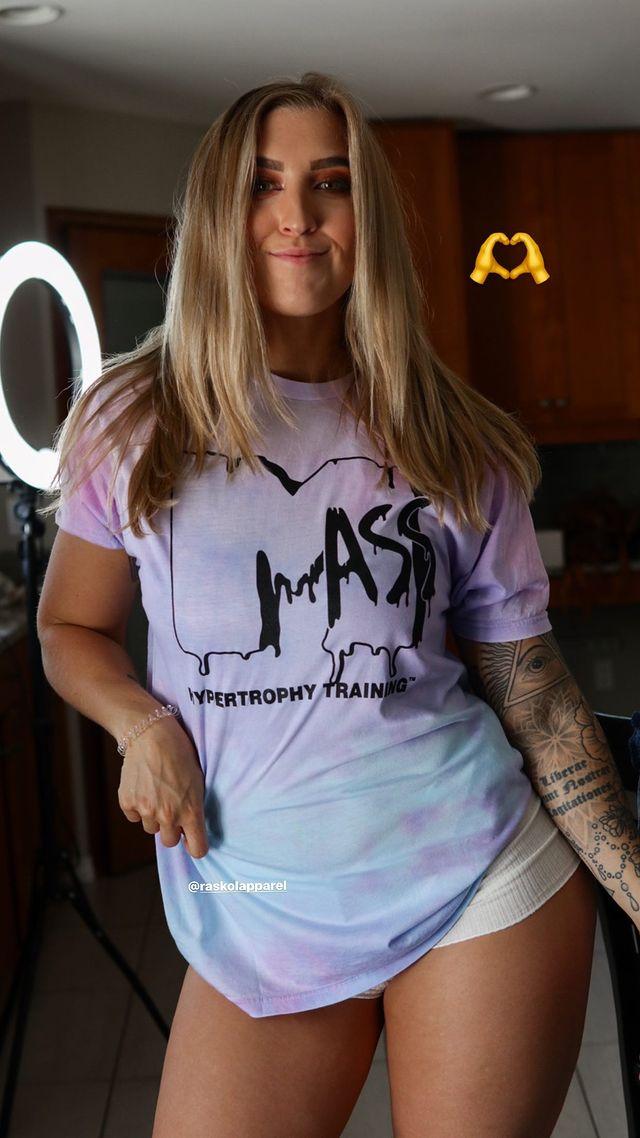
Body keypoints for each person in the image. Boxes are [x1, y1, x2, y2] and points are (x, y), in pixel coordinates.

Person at [38, 72, 599, 1138]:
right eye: (264, 184)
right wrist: (141, 723)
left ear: (364, 215)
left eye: (329, 183)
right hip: (255, 907)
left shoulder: (451, 436)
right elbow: (70, 627)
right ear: (221, 213)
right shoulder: (135, 418)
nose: (296, 214)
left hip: (474, 877)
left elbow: (534, 696)